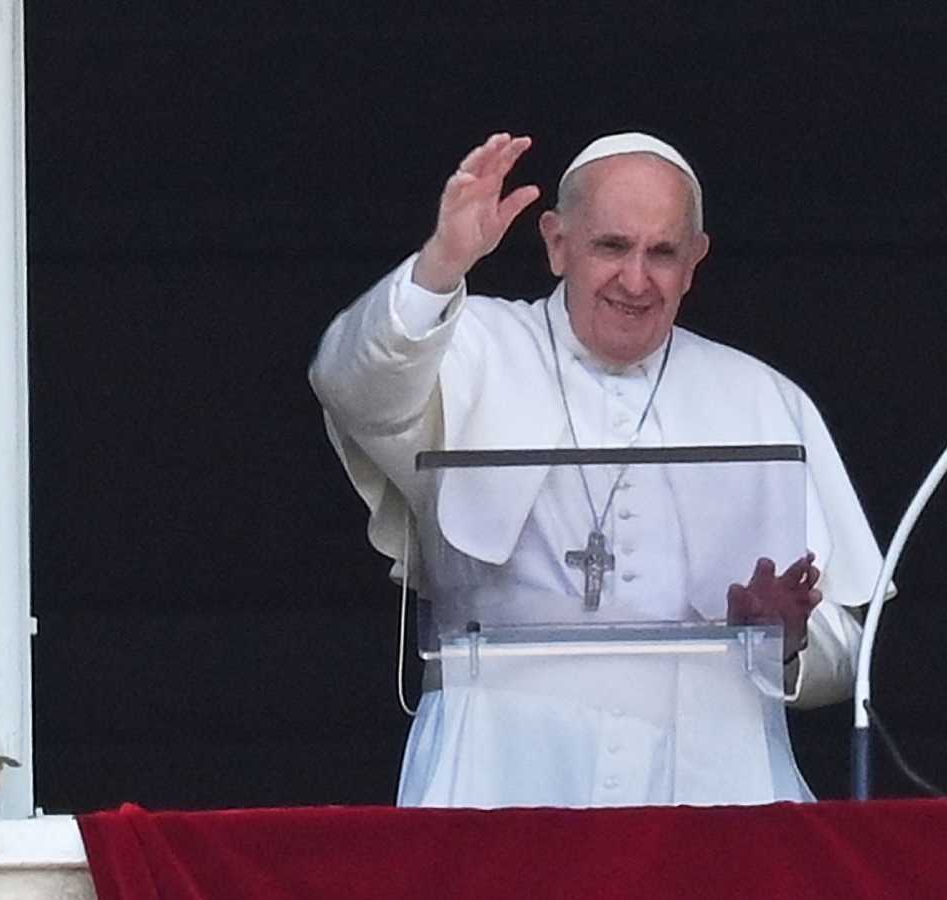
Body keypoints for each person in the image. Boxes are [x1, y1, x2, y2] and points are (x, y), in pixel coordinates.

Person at [310, 131, 883, 807]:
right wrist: (441, 264)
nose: (636, 281)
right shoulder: (471, 348)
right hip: (499, 765)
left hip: (713, 773)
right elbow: (351, 383)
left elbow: (847, 649)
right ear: (557, 243)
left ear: (695, 262)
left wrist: (783, 641)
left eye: (663, 253)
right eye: (612, 246)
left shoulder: (761, 397)